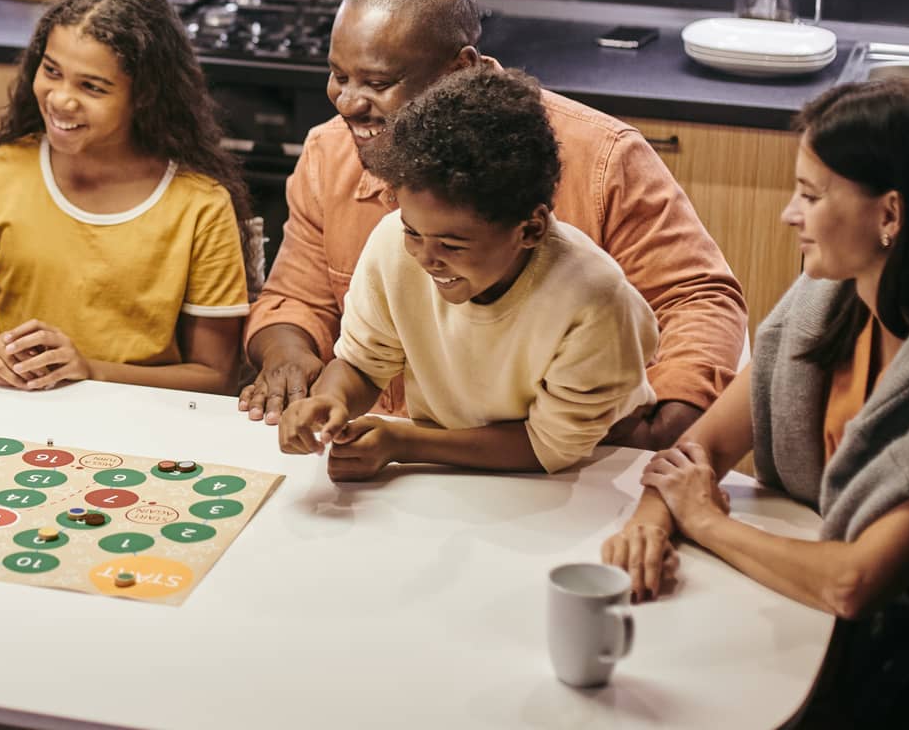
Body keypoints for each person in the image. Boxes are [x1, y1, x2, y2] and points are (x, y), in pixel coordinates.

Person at [601, 79, 909, 727]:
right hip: (816, 611)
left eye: (811, 196)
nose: (790, 214)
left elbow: (855, 582)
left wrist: (703, 521)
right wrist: (651, 517)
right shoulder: (836, 298)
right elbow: (701, 446)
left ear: (890, 216)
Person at [242, 0, 746, 449]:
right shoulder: (328, 153)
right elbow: (298, 299)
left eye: (378, 83)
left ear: (461, 68)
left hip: (557, 459)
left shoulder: (602, 157)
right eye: (339, 76)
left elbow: (698, 299)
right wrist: (288, 354)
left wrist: (671, 418)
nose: (349, 103)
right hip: (389, 452)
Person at [277, 68, 657, 477]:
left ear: (530, 229)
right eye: (413, 232)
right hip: (452, 465)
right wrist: (331, 401)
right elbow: (361, 366)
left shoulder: (593, 299)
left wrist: (402, 442)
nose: (425, 257)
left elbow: (548, 446)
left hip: (589, 473)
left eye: (452, 245)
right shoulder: (392, 246)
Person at [0, 0, 255, 395]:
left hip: (148, 428)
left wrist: (89, 370)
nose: (61, 99)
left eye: (92, 87)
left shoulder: (200, 205)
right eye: (51, 71)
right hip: (18, 416)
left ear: (145, 96)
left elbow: (215, 377)